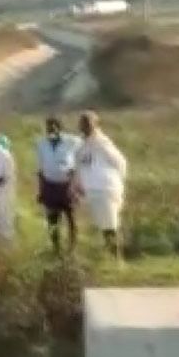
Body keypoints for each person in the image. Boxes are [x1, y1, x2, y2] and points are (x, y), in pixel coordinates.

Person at [74, 111, 128, 259]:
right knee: (103, 226)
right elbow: (80, 167)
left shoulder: (103, 143)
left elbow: (121, 163)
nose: (85, 126)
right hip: (91, 190)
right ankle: (109, 258)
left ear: (95, 124)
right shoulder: (82, 146)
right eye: (83, 123)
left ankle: (116, 259)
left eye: (88, 123)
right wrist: (79, 186)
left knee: (111, 225)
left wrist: (115, 183)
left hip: (106, 189)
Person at [36, 116, 83, 255]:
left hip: (67, 185)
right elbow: (40, 168)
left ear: (60, 128)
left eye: (55, 126)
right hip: (50, 184)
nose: (52, 129)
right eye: (49, 126)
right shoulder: (41, 144)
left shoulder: (72, 141)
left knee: (71, 217)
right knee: (52, 219)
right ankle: (56, 249)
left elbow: (81, 159)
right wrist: (41, 189)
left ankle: (72, 248)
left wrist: (76, 182)